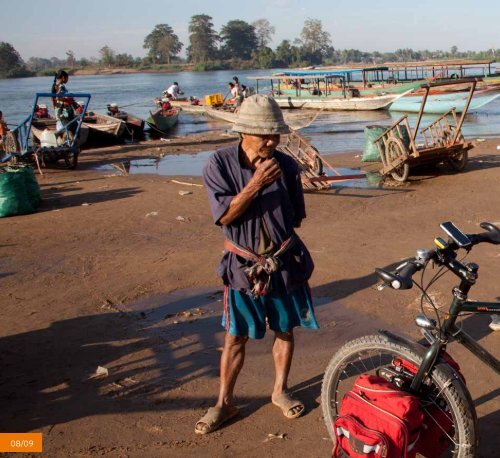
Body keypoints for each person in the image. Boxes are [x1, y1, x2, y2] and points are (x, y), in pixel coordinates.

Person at [196, 94, 319, 435]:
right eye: (265, 135)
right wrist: (256, 184)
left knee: (285, 329)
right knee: (235, 337)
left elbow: (296, 218)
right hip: (242, 268)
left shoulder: (288, 166)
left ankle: (280, 390)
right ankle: (224, 403)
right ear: (243, 133)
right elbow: (224, 216)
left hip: (283, 264)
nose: (272, 141)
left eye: (276, 135)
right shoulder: (218, 164)